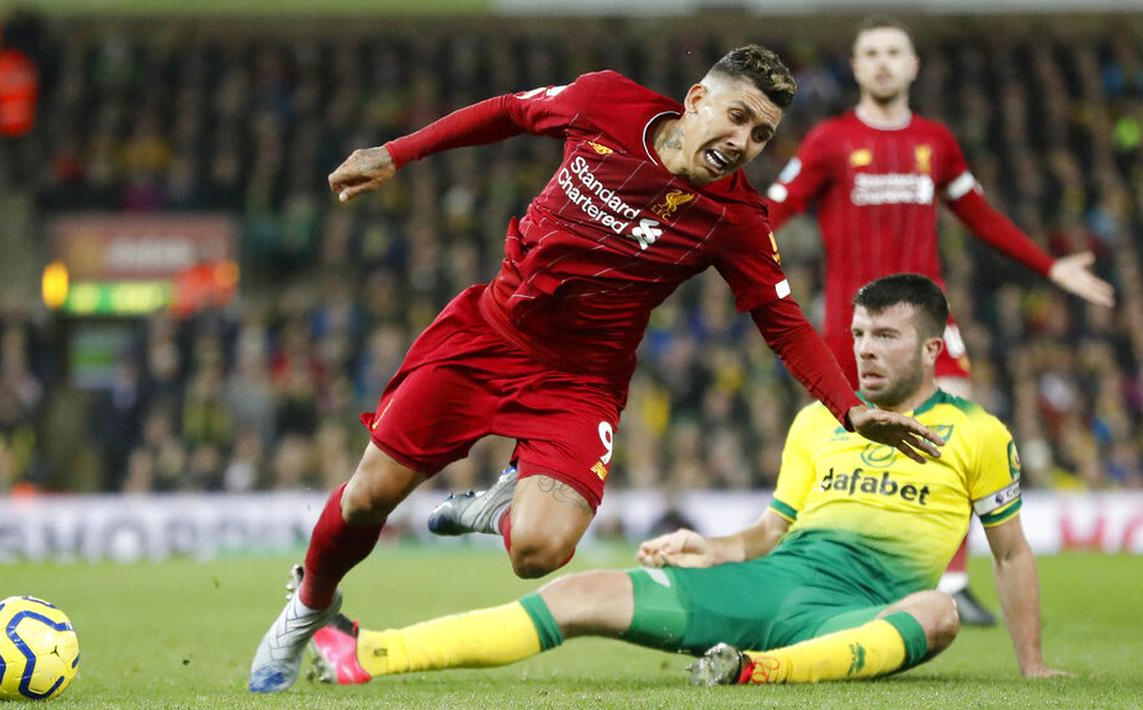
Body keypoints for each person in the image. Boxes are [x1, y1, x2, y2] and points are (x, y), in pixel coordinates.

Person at [248, 45, 946, 693]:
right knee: (369, 496)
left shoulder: (733, 219)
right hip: (487, 334)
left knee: (540, 552)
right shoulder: (603, 102)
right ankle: (309, 607)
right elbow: (506, 112)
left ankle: (504, 504)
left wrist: (848, 409)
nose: (742, 142)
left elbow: (781, 319)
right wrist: (396, 154)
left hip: (578, 383)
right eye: (736, 117)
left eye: (760, 134)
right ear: (697, 98)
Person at [308, 274, 1066, 687]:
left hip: (861, 610)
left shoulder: (976, 433)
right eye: (859, 333)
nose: (863, 351)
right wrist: (707, 546)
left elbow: (1009, 554)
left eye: (885, 336)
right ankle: (373, 652)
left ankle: (759, 672)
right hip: (773, 583)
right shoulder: (818, 422)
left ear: (932, 348)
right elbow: (770, 532)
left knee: (936, 612)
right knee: (576, 593)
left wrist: (1030, 666)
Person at [764, 16, 1115, 626]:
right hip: (854, 330)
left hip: (929, 322)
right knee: (841, 452)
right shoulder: (830, 141)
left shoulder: (936, 142)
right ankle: (825, 579)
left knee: (952, 425)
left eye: (893, 52)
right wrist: (715, 243)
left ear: (913, 65)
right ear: (855, 65)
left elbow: (978, 213)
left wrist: (1049, 267)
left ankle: (951, 581)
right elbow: (775, 209)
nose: (881, 62)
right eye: (870, 52)